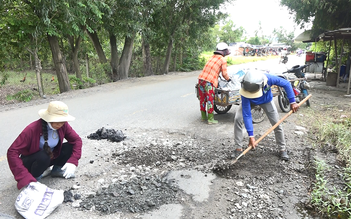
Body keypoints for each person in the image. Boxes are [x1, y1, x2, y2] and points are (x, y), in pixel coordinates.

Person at [7, 101, 82, 190]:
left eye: (63, 121)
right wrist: (24, 177)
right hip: (32, 162)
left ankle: (56, 170)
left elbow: (77, 140)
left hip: (49, 158)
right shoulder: (32, 129)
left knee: (70, 146)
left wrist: (73, 161)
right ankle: (34, 179)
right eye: (57, 120)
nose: (60, 124)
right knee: (44, 155)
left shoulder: (63, 125)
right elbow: (12, 152)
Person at [232, 71, 299, 161]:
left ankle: (282, 149)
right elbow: (247, 114)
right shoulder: (245, 88)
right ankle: (238, 148)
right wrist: (251, 136)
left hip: (266, 101)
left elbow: (286, 84)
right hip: (249, 101)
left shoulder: (268, 79)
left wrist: (292, 101)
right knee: (238, 119)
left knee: (277, 123)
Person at [198, 42, 231, 124]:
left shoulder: (211, 57)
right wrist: (229, 79)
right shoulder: (222, 59)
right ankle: (210, 119)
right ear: (224, 51)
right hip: (209, 82)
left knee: (202, 99)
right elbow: (224, 74)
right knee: (210, 100)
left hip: (201, 79)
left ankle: (203, 117)